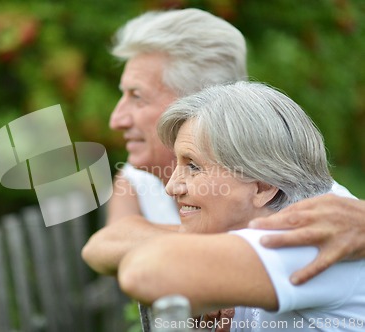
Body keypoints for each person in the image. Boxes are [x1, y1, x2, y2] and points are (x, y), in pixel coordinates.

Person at [103, 7, 360, 284]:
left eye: (137, 96)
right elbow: (103, 245)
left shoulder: (318, 223)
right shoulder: (138, 174)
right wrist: (213, 251)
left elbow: (137, 271)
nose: (116, 119)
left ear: (201, 99)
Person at [111, 81, 365, 331]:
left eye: (193, 166)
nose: (172, 186)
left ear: (263, 186)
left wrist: (201, 274)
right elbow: (106, 244)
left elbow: (143, 272)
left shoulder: (311, 238)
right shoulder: (255, 225)